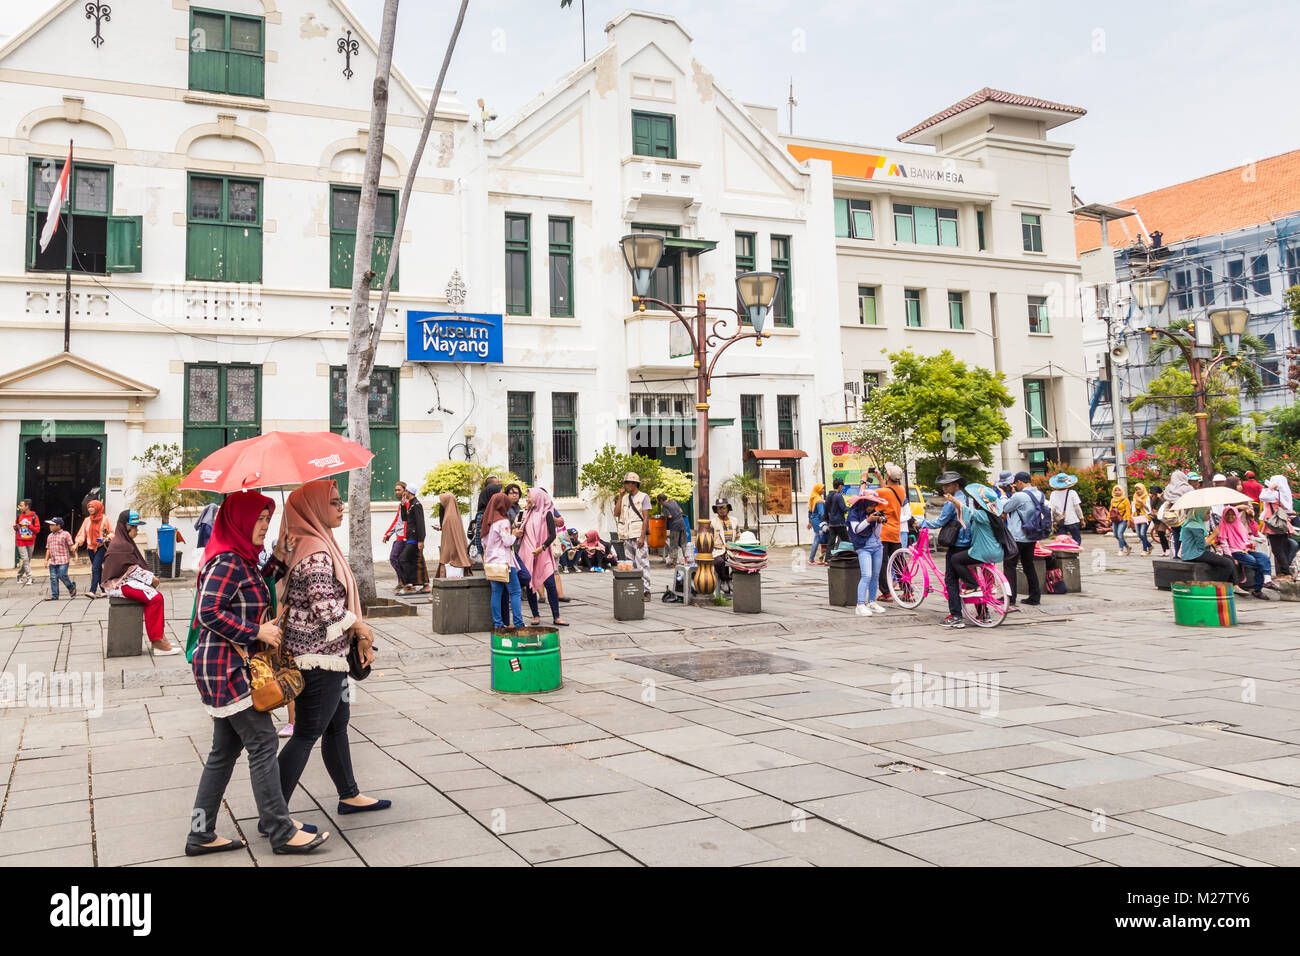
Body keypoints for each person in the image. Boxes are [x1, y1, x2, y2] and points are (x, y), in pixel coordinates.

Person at [187, 490, 328, 856]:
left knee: (223, 752)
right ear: (239, 521)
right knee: (264, 743)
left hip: (225, 666)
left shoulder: (244, 559)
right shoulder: (226, 562)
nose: (264, 527)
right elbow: (209, 612)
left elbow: (255, 587)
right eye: (259, 520)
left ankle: (200, 834)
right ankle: (280, 830)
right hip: (227, 668)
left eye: (267, 520)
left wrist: (279, 557)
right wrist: (256, 632)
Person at [275, 481, 388, 819]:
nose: (342, 508)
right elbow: (327, 611)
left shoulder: (309, 542)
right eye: (335, 503)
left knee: (337, 725)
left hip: (330, 657)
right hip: (318, 657)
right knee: (308, 732)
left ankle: (349, 795)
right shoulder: (315, 551)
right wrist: (362, 628)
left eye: (341, 502)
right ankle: (273, 813)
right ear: (313, 509)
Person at [100, 510, 178, 653]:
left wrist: (150, 579)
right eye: (134, 527)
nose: (137, 530)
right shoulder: (121, 545)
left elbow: (133, 567)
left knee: (154, 596)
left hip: (124, 581)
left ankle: (159, 637)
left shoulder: (124, 542)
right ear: (126, 527)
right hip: (118, 584)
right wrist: (152, 579)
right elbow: (131, 568)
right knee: (155, 598)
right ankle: (157, 641)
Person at [917, 471, 975, 629]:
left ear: (956, 485)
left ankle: (956, 615)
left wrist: (921, 524)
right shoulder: (970, 499)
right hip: (972, 544)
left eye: (947, 484)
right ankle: (984, 614)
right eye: (943, 484)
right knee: (975, 579)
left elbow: (939, 522)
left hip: (957, 544)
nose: (944, 487)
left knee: (951, 581)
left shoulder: (951, 502)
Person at [515, 488, 567, 626]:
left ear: (537, 497)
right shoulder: (526, 513)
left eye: (529, 496)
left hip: (543, 554)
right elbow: (521, 531)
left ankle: (556, 616)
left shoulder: (547, 514)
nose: (526, 499)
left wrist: (542, 547)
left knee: (550, 584)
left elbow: (552, 534)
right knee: (530, 585)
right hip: (528, 553)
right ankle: (535, 615)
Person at [1000, 472, 1043, 607]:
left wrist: (1003, 496)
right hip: (1031, 535)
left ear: (1019, 482)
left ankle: (1010, 597)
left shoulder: (1019, 496)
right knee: (1029, 566)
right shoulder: (1039, 494)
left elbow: (1005, 508)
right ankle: (1035, 597)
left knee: (1009, 566)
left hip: (1017, 537)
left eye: (1015, 483)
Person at [482, 491, 523, 628]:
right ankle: (518, 623)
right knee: (516, 592)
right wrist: (515, 534)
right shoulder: (503, 521)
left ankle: (498, 623)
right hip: (504, 562)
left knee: (496, 593)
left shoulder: (487, 522)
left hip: (492, 562)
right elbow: (507, 542)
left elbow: (484, 543)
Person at [1218, 505, 1275, 598]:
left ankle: (1267, 580)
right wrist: (1231, 558)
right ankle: (1258, 589)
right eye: (1228, 515)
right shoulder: (1223, 525)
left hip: (1246, 550)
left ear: (1236, 515)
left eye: (1233, 514)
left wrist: (1250, 544)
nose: (1230, 516)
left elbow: (1246, 538)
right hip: (1235, 552)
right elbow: (1224, 544)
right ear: (1224, 515)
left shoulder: (1239, 524)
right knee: (1256, 563)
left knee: (1264, 558)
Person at [847, 490, 887, 615]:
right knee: (866, 575)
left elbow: (876, 534)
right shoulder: (854, 513)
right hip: (863, 547)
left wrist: (878, 522)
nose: (873, 507)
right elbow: (857, 529)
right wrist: (868, 520)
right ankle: (860, 604)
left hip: (877, 546)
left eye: (875, 505)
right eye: (871, 504)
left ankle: (871, 601)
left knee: (875, 575)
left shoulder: (872, 514)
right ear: (864, 502)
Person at [614, 472, 653, 598]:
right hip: (627, 535)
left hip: (638, 535)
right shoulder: (624, 498)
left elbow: (646, 518)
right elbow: (616, 513)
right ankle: (634, 588)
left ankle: (646, 590)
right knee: (630, 564)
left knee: (642, 562)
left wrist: (642, 536)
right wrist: (620, 496)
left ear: (634, 484)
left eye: (628, 483)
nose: (626, 485)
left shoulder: (643, 497)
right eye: (625, 483)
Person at [875, 465, 908, 603]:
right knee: (899, 562)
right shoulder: (901, 490)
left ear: (888, 476)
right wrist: (881, 479)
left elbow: (881, 493)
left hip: (883, 532)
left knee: (882, 564)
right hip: (895, 532)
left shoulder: (879, 491)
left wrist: (864, 481)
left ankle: (886, 593)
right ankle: (907, 591)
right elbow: (888, 492)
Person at [1179, 506, 1237, 584]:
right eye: (1207, 513)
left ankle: (1234, 585)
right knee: (1227, 563)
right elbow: (1202, 545)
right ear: (1201, 513)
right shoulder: (1194, 526)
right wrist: (1214, 535)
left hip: (1198, 552)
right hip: (1195, 554)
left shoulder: (1197, 523)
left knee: (1229, 558)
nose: (1209, 516)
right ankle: (1218, 585)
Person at [73, 499, 112, 598]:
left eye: (92, 507)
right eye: (89, 507)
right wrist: (77, 544)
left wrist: (106, 538)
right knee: (98, 569)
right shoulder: (87, 520)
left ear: (98, 508)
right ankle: (104, 590)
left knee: (95, 568)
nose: (90, 509)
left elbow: (112, 532)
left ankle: (92, 591)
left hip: (101, 547)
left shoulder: (105, 519)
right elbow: (82, 533)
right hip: (90, 547)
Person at [395, 482, 427, 595]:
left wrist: (421, 540)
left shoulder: (417, 505)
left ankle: (408, 584)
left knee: (402, 559)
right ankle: (421, 584)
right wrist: (403, 506)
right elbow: (405, 519)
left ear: (408, 492)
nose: (404, 493)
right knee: (415, 561)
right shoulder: (411, 504)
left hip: (414, 538)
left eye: (406, 492)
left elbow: (420, 523)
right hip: (410, 537)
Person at [1259, 488, 1298, 579]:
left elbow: (1261, 496)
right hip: (1282, 523)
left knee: (1277, 549)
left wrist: (1270, 488)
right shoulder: (1283, 495)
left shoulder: (1273, 495)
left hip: (1274, 524)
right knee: (1282, 548)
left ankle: (1286, 572)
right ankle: (1284, 572)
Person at [434, 491, 473, 578]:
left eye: (442, 502)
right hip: (455, 553)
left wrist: (448, 555)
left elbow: (451, 538)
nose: (441, 504)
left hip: (450, 555)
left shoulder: (449, 518)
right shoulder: (454, 515)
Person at [710, 498, 740, 596]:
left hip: (732, 549)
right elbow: (710, 539)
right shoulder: (713, 523)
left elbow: (738, 537)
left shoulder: (735, 521)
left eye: (724, 507)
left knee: (742, 561)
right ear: (716, 510)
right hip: (718, 550)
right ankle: (724, 579)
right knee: (719, 562)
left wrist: (735, 548)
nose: (722, 510)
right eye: (719, 508)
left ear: (727, 508)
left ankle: (731, 578)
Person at [381, 484, 408, 591]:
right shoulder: (401, 504)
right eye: (395, 490)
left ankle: (403, 581)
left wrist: (404, 536)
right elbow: (397, 520)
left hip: (404, 537)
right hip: (399, 536)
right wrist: (388, 534)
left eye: (399, 490)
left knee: (394, 558)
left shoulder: (407, 503)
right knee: (397, 559)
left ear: (405, 491)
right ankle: (402, 581)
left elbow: (407, 521)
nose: (396, 492)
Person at [44, 517, 77, 601]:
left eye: (52, 525)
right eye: (50, 525)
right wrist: (46, 560)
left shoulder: (65, 534)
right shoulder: (49, 536)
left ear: (58, 526)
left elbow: (71, 546)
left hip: (63, 560)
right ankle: (55, 595)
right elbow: (48, 548)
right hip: (53, 561)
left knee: (62, 575)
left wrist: (76, 555)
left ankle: (71, 587)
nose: (50, 526)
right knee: (53, 578)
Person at [1162, 469, 1193, 557]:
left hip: (1173, 517)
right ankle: (1185, 554)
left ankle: (1176, 554)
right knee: (1186, 537)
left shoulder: (1168, 488)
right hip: (1186, 516)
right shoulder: (1188, 488)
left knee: (1176, 536)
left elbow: (1166, 498)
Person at [1048, 474, 1084, 545]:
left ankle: (1064, 554)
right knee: (1077, 539)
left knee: (1062, 541)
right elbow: (1077, 508)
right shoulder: (1072, 493)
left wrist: (1051, 521)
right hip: (1073, 520)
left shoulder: (1053, 494)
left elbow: (1051, 510)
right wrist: (1082, 519)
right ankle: (1074, 553)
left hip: (1061, 522)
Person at [471, 477, 501, 555]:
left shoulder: (500, 511)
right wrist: (482, 555)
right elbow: (479, 537)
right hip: (489, 555)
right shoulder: (482, 515)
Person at [13, 499, 39, 586]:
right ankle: (29, 577)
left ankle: (19, 575)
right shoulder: (18, 516)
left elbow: (37, 530)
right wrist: (16, 527)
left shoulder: (34, 517)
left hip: (31, 541)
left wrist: (29, 525)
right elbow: (16, 528)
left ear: (27, 506)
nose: (20, 507)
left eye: (21, 505)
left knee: (28, 560)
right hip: (20, 540)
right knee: (25, 559)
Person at [658, 494, 688, 568]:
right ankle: (687, 562)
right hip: (682, 524)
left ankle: (674, 564)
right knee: (684, 544)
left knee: (674, 545)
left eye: (659, 501)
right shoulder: (673, 501)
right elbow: (681, 510)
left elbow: (669, 516)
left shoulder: (664, 505)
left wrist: (663, 515)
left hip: (675, 526)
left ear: (661, 500)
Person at [1128, 483, 1155, 556]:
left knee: (1143, 533)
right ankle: (1150, 546)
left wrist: (1142, 503)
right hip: (1137, 517)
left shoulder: (1147, 497)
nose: (1138, 491)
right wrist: (1131, 516)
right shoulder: (1135, 497)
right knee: (1139, 534)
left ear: (1143, 489)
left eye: (1139, 489)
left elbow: (1149, 510)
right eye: (1136, 489)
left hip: (1146, 517)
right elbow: (1133, 508)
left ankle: (1144, 550)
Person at [824, 478, 850, 552]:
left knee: (831, 542)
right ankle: (850, 557)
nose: (842, 488)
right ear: (840, 486)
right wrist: (851, 508)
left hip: (831, 523)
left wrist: (827, 519)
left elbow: (825, 509)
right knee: (846, 541)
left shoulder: (828, 495)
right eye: (842, 486)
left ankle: (827, 559)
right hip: (840, 523)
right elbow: (844, 508)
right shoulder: (839, 496)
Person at [806, 483, 827, 565]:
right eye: (822, 489)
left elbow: (810, 512)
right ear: (818, 489)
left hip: (814, 521)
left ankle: (821, 559)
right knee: (818, 539)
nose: (823, 490)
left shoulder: (813, 498)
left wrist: (810, 522)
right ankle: (811, 560)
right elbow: (822, 513)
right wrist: (826, 522)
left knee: (820, 538)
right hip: (819, 522)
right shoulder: (819, 500)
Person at [1110, 485, 1132, 556]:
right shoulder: (1113, 500)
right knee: (1116, 535)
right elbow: (1111, 510)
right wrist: (1109, 518)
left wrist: (1128, 520)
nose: (1117, 492)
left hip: (1123, 519)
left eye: (1119, 490)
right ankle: (1127, 546)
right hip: (1115, 519)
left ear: (1122, 491)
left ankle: (1121, 549)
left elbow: (1128, 511)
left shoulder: (1125, 500)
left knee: (1120, 534)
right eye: (1115, 490)